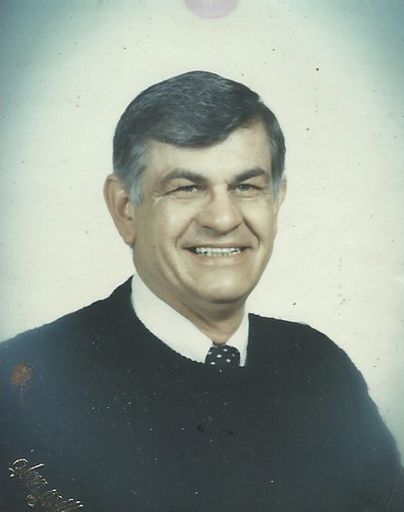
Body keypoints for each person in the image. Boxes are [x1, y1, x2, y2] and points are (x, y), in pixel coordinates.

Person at [0, 71, 403, 512]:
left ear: (276, 202)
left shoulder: (320, 367)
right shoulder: (23, 384)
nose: (222, 219)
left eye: (246, 187)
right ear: (124, 209)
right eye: (186, 188)